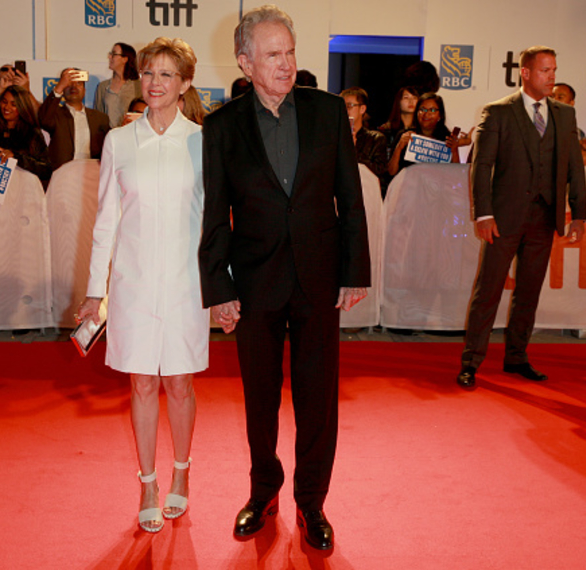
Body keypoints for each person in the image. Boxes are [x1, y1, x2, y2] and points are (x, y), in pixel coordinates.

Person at [198, 6, 370, 551]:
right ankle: (263, 490)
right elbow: (214, 214)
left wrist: (355, 269)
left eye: (290, 51)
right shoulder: (222, 126)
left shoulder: (327, 112)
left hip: (319, 279)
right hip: (254, 284)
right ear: (246, 62)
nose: (286, 63)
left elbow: (351, 196)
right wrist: (219, 290)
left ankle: (312, 503)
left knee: (318, 400)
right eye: (273, 54)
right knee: (260, 400)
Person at [76, 37, 208, 534]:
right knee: (143, 381)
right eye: (149, 73)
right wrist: (95, 290)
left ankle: (182, 473)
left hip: (185, 284)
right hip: (131, 284)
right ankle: (148, 482)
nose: (156, 83)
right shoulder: (118, 141)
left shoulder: (201, 140)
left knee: (179, 382)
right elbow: (105, 220)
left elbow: (212, 223)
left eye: (167, 75)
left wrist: (223, 289)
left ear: (185, 84)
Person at [457, 46, 586, 389]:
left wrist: (580, 213)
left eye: (554, 71)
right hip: (503, 219)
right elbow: (481, 165)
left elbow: (575, 166)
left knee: (528, 293)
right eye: (546, 71)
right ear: (526, 73)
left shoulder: (564, 115)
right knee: (488, 291)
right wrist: (483, 213)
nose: (552, 78)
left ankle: (516, 357)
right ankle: (471, 361)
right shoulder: (498, 112)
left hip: (544, 219)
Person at [39, 68, 110, 172]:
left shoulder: (100, 118)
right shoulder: (55, 115)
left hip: (91, 174)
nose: (73, 87)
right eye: (69, 83)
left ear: (84, 90)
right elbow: (43, 120)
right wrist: (59, 87)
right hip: (62, 174)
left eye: (78, 83)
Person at [0, 85, 52, 184]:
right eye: (4, 102)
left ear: (22, 106)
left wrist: (16, 157)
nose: (7, 107)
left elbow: (46, 169)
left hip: (22, 189)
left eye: (13, 104)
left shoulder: (31, 133)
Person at [388, 92, 460, 177]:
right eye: (422, 109)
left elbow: (456, 175)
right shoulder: (404, 135)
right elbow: (391, 172)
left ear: (440, 115)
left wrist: (454, 151)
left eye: (432, 110)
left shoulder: (447, 139)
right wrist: (399, 147)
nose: (426, 114)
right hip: (408, 187)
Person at [340, 87, 387, 181]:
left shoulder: (375, 139)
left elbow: (379, 171)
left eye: (349, 106)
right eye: (341, 106)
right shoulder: (334, 137)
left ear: (362, 109)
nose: (344, 110)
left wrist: (353, 151)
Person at [94, 43, 141, 127]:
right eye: (110, 54)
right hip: (109, 135)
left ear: (125, 59)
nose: (109, 57)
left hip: (131, 134)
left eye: (114, 54)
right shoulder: (103, 86)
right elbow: (97, 117)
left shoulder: (138, 85)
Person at [377, 86, 419, 160]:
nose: (411, 101)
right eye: (406, 98)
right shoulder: (386, 129)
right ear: (398, 101)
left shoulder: (421, 128)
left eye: (414, 98)